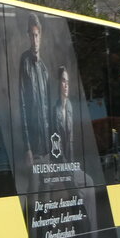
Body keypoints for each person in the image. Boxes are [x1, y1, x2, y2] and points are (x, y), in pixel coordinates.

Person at [18, 13, 51, 165]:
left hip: (48, 147)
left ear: (41, 36)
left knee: (48, 186)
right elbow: (23, 105)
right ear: (28, 36)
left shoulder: (44, 69)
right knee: (34, 185)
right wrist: (27, 148)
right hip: (34, 147)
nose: (35, 40)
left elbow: (49, 111)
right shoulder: (24, 61)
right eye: (32, 35)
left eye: (37, 35)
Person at [53, 65, 75, 161]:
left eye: (67, 82)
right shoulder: (54, 109)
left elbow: (71, 141)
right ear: (58, 84)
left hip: (70, 162)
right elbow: (55, 140)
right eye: (63, 81)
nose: (66, 85)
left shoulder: (70, 107)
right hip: (58, 161)